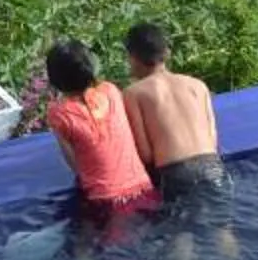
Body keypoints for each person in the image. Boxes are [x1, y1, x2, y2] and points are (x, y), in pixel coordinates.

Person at [45, 39, 156, 212]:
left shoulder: (60, 114)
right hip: (144, 190)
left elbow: (75, 164)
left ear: (55, 79)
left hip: (105, 201)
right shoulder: (111, 91)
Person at [121, 22, 222, 197]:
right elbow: (212, 138)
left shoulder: (133, 93)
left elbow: (146, 154)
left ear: (132, 58)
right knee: (222, 222)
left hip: (175, 173)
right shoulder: (198, 85)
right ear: (166, 53)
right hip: (213, 167)